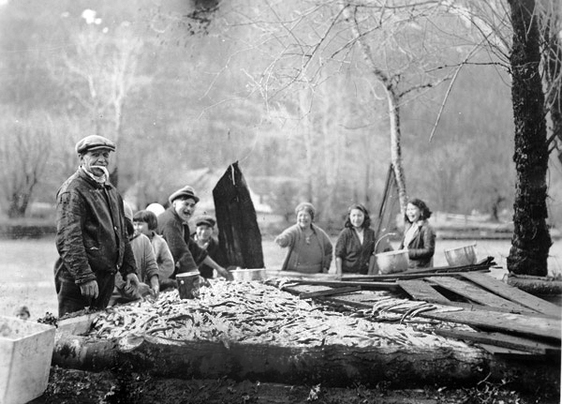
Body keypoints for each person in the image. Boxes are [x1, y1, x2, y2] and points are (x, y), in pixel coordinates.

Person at [54, 135, 139, 317]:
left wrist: (129, 269)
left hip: (104, 279)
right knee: (72, 336)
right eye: (95, 154)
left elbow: (121, 234)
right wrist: (84, 277)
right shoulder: (73, 191)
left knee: (95, 334)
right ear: (82, 157)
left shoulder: (110, 191)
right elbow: (68, 239)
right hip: (79, 281)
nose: (102, 160)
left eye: (106, 155)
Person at [157, 185, 233, 281]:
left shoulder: (180, 222)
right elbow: (180, 251)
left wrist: (218, 268)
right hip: (155, 274)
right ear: (174, 204)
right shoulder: (171, 221)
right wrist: (194, 274)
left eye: (192, 206)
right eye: (186, 204)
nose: (189, 209)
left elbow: (194, 249)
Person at [110, 203, 160, 305]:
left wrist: (155, 283)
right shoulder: (109, 241)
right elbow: (111, 270)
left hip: (136, 297)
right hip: (113, 298)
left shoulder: (143, 240)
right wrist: (124, 286)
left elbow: (151, 265)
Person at [275, 202, 333, 273]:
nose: (302, 218)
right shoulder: (294, 231)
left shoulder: (320, 234)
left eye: (306, 215)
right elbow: (287, 236)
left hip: (317, 273)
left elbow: (329, 249)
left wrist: (326, 267)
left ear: (311, 217)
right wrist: (282, 240)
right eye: (300, 215)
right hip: (294, 273)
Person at [133, 209, 175, 283]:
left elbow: (169, 264)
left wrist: (154, 276)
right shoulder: (132, 241)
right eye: (134, 224)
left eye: (140, 224)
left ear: (151, 224)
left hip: (152, 283)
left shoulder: (160, 242)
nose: (136, 228)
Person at [334, 204, 376, 276]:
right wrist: (339, 273)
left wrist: (370, 273)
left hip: (364, 274)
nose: (356, 219)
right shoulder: (345, 233)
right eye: (354, 215)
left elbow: (372, 254)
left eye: (359, 215)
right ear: (349, 217)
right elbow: (338, 256)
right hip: (346, 274)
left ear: (364, 216)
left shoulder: (370, 233)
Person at [399, 198, 436, 269]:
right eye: (408, 210)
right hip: (407, 266)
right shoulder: (409, 228)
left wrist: (408, 253)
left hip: (419, 269)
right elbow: (402, 248)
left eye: (412, 209)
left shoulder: (427, 228)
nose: (409, 212)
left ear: (421, 211)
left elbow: (429, 251)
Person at [192, 214, 228, 279]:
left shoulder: (215, 245)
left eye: (207, 229)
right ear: (196, 229)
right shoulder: (187, 241)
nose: (204, 232)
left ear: (212, 230)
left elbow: (221, 264)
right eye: (201, 229)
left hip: (207, 279)